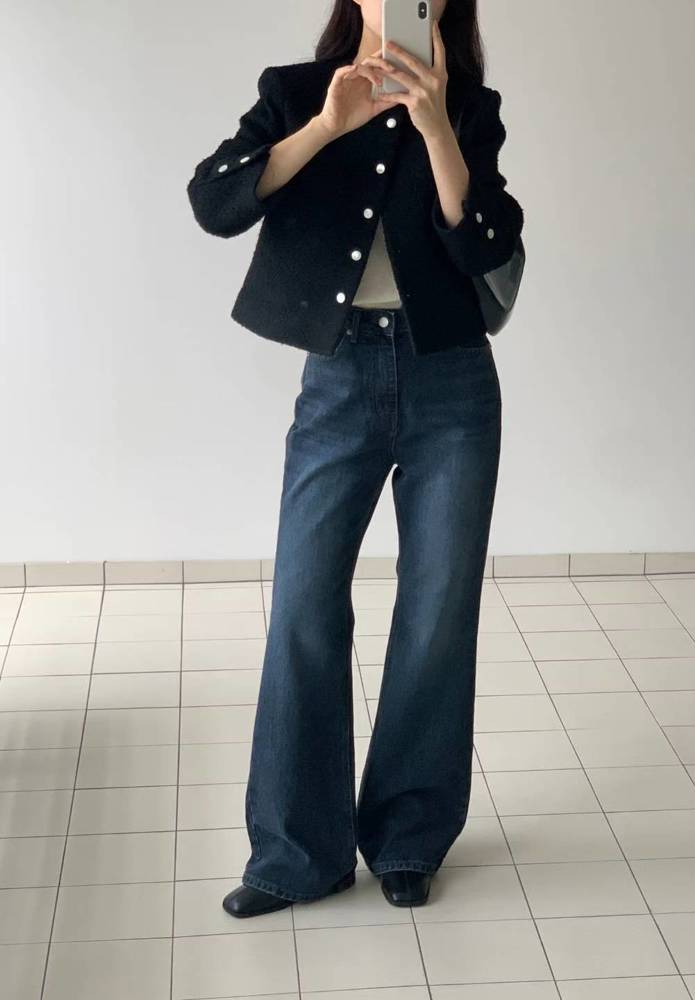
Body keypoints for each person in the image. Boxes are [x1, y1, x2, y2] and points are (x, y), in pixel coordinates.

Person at [186, 0, 524, 918]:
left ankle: (409, 837)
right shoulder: (296, 92)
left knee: (437, 613)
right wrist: (325, 127)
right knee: (303, 603)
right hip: (338, 380)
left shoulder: (470, 107)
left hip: (452, 380)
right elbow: (214, 202)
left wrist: (438, 125)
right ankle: (297, 855)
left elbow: (486, 242)